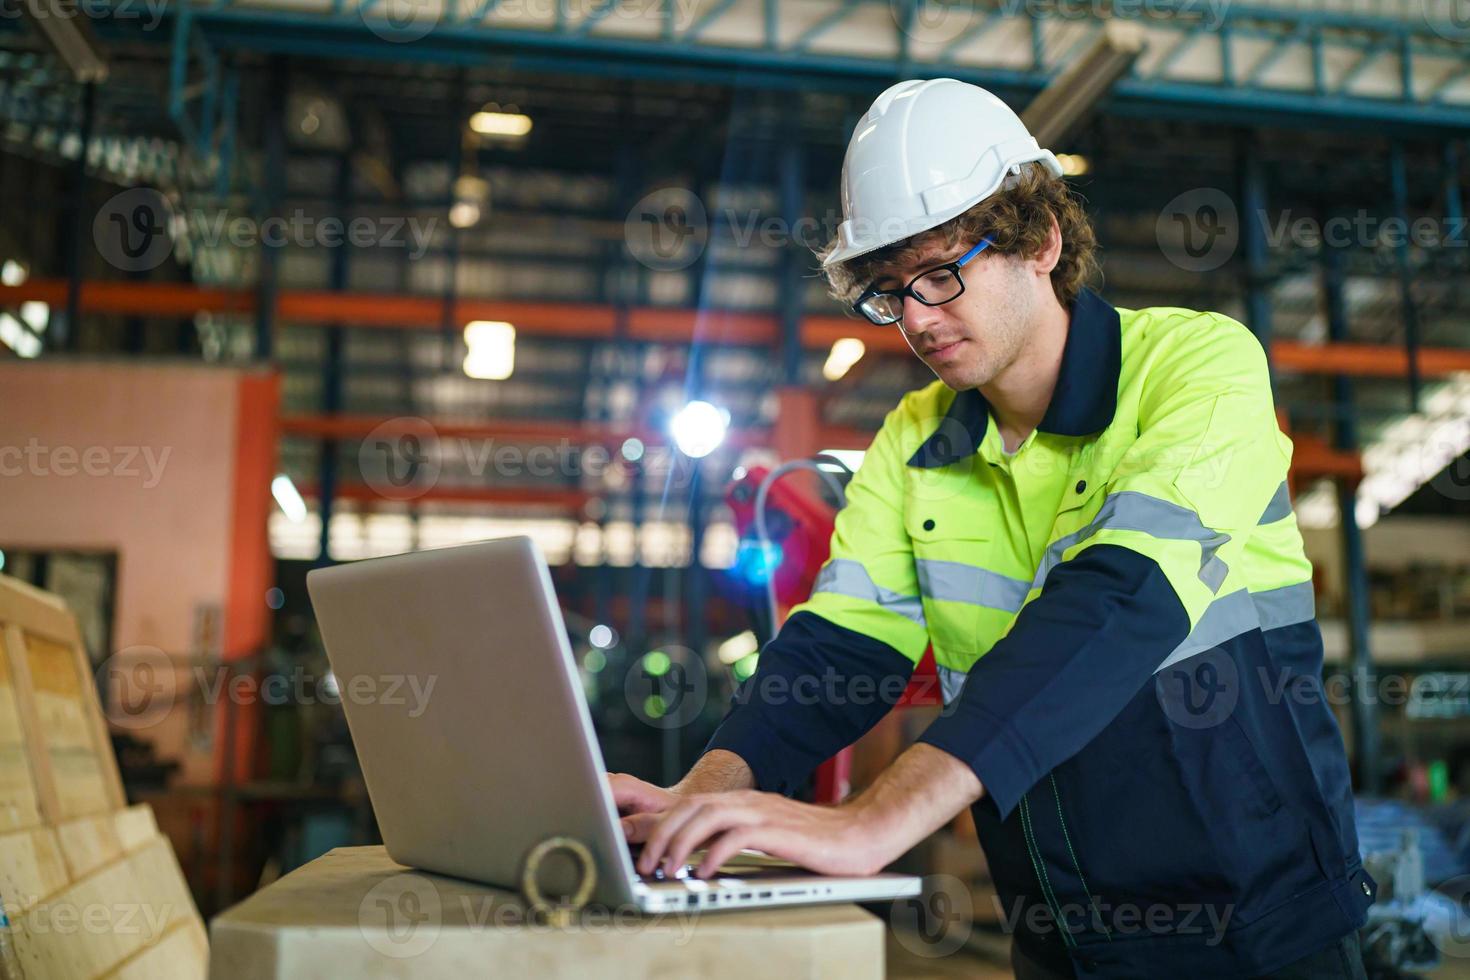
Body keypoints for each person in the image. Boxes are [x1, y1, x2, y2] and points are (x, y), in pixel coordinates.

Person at [611, 78, 1372, 978]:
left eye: (942, 273)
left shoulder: (1197, 369)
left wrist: (876, 822)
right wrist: (703, 795)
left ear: (1041, 240)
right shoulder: (915, 437)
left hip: (1257, 927)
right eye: (892, 292)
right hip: (1057, 930)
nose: (921, 320)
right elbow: (838, 651)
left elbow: (1118, 601)